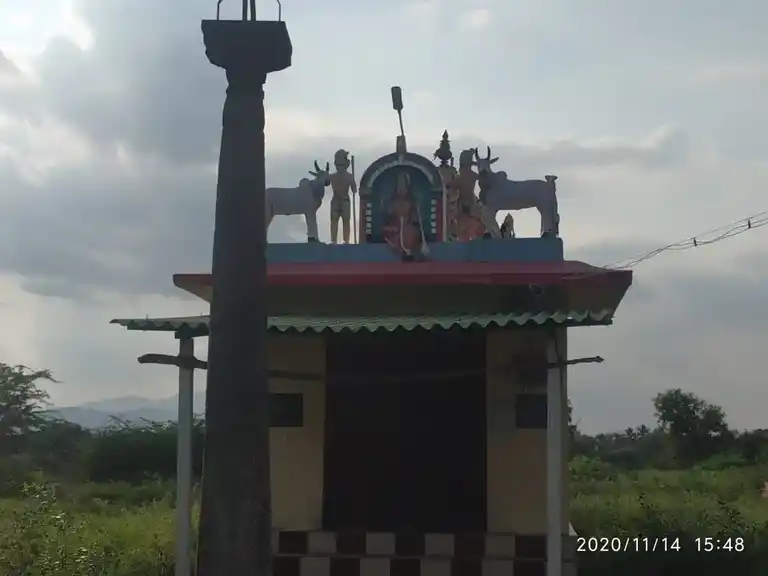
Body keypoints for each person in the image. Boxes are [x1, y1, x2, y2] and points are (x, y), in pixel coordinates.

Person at [329, 149, 357, 243]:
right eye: (338, 165)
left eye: (341, 164)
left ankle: (346, 240)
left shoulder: (349, 177)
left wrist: (353, 187)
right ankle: (334, 240)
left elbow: (354, 190)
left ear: (346, 164)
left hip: (345, 201)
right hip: (335, 200)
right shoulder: (332, 176)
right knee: (334, 221)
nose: (339, 167)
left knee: (346, 221)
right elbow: (325, 182)